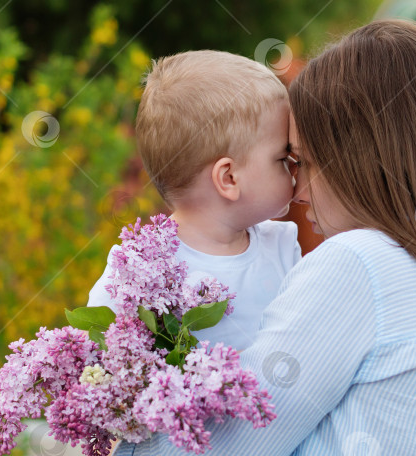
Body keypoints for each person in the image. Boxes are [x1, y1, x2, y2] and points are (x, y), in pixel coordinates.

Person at [123, 19, 416, 456]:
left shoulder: (360, 267)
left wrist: (115, 425)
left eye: (306, 162)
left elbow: (224, 446)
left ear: (361, 158)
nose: (299, 190)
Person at [87, 50, 302, 453]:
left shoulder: (283, 246)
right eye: (281, 159)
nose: (295, 172)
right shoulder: (141, 268)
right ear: (229, 177)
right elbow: (100, 353)